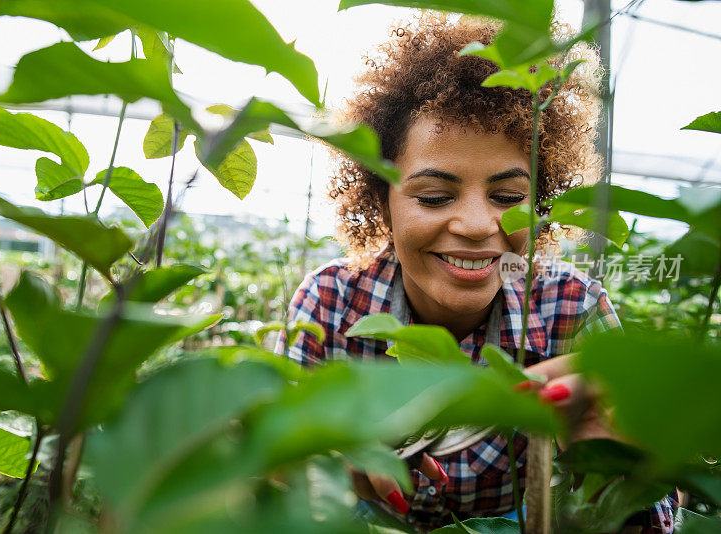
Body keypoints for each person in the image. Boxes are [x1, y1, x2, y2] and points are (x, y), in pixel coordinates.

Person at [274, 14, 676, 533]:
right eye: (435, 197)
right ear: (382, 199)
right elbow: (278, 480)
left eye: (509, 198)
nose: (477, 225)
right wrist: (313, 468)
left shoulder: (571, 306)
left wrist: (625, 471)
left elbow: (654, 515)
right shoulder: (332, 302)